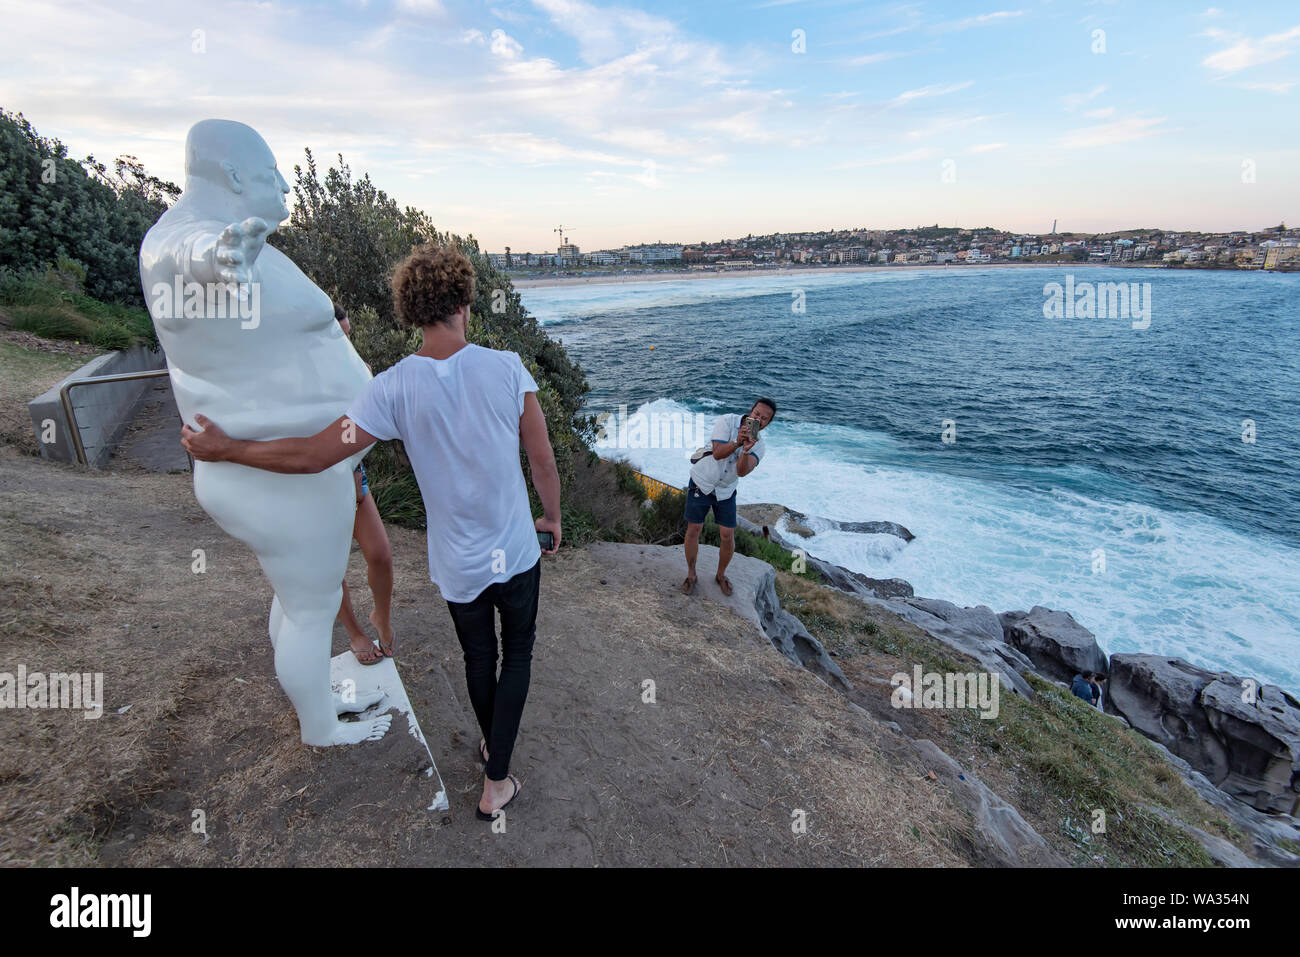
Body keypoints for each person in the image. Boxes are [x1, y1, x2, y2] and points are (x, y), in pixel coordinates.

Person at [183, 243, 561, 822]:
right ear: (464, 300)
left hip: (458, 564)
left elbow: (314, 455)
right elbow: (542, 462)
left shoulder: (391, 387)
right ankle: (496, 779)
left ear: (410, 311)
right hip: (513, 550)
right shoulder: (507, 368)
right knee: (520, 656)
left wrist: (227, 448)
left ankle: (493, 753)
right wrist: (551, 518)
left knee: (480, 659)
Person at [331, 301, 396, 666]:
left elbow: (361, 434)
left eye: (348, 337)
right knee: (332, 566)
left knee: (380, 554)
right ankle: (355, 631)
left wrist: (356, 471)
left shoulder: (359, 372)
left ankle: (380, 617)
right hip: (314, 486)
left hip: (353, 476)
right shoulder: (302, 379)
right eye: (338, 339)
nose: (346, 347)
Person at [681, 398, 776, 597]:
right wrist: (737, 442)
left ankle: (721, 575)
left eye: (764, 419)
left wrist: (746, 450)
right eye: (757, 414)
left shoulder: (760, 447)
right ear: (751, 411)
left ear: (768, 423)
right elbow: (717, 453)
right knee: (694, 529)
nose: (758, 419)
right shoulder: (727, 421)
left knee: (727, 535)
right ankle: (691, 574)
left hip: (725, 489)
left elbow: (742, 471)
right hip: (703, 481)